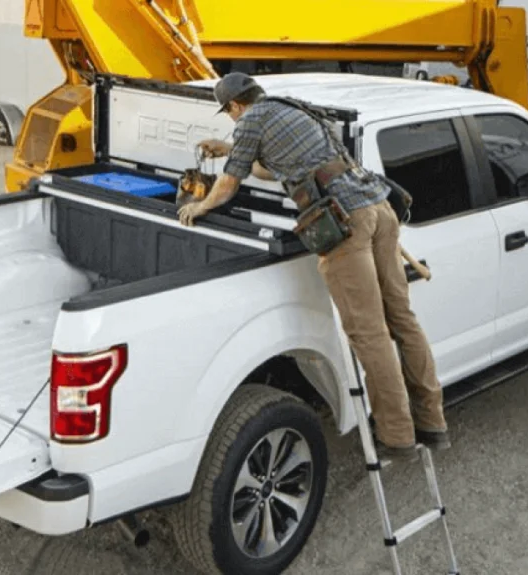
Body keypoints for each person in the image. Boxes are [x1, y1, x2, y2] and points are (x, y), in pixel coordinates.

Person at [178, 72, 449, 459]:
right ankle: (432, 420)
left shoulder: (251, 120)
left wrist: (198, 207)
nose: (233, 121)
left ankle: (397, 435)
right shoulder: (292, 108)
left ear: (236, 106)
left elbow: (228, 185)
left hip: (345, 219)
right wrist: (228, 148)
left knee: (369, 331)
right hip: (379, 208)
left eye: (230, 115)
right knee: (402, 318)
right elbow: (274, 168)